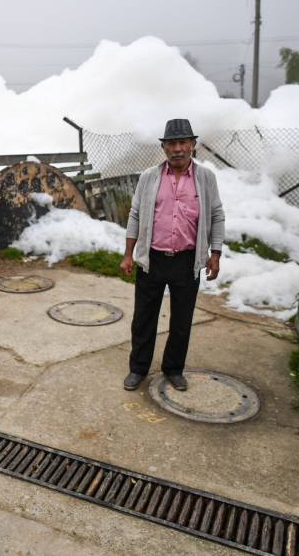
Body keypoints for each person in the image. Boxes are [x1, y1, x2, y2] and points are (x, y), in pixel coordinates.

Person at [120, 119, 224, 392]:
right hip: (151, 259)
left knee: (181, 320)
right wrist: (129, 254)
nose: (177, 149)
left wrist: (215, 253)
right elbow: (135, 215)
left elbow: (216, 215)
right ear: (164, 147)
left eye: (182, 143)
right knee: (144, 318)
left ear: (192, 145)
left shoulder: (205, 178)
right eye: (172, 144)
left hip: (187, 261)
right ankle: (138, 368)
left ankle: (173, 369)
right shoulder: (148, 178)